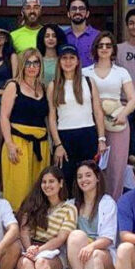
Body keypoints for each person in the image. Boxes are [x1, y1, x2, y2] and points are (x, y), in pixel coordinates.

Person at [16, 167, 77, 269]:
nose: (47, 185)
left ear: (61, 183)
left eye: (51, 181)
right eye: (44, 182)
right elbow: (24, 231)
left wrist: (39, 250)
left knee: (41, 262)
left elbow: (61, 238)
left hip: (54, 252)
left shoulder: (69, 208)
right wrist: (30, 249)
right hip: (31, 249)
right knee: (25, 263)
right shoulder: (34, 204)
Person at [83, 31, 135, 200]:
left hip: (116, 123)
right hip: (92, 123)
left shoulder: (121, 72)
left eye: (108, 45)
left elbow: (133, 99)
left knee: (116, 168)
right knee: (94, 166)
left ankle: (114, 204)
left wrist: (123, 114)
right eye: (101, 45)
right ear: (95, 48)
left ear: (113, 49)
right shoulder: (85, 72)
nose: (104, 48)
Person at [66, 161, 117, 269]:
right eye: (80, 177)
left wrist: (91, 247)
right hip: (79, 258)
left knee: (94, 255)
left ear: (97, 178)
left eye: (88, 175)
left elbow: (108, 238)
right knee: (76, 235)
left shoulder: (107, 202)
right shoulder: (71, 204)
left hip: (102, 255)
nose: (84, 180)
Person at [48, 44, 107, 187]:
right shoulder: (53, 85)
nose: (68, 62)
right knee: (66, 179)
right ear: (59, 61)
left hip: (88, 134)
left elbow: (98, 112)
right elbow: (52, 117)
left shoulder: (88, 82)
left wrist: (101, 139)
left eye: (72, 58)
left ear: (77, 61)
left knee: (88, 178)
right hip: (65, 136)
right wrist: (58, 144)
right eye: (64, 58)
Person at [0, 48, 51, 210]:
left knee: (39, 193)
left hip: (41, 145)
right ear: (22, 65)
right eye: (28, 63)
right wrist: (9, 144)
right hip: (18, 143)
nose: (32, 67)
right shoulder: (13, 86)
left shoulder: (44, 88)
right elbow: (4, 117)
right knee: (18, 192)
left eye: (36, 63)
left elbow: (48, 118)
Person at [64, 0, 100, 68]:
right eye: (74, 8)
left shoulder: (98, 36)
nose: (77, 11)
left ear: (87, 14)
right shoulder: (62, 36)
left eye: (81, 8)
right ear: (68, 14)